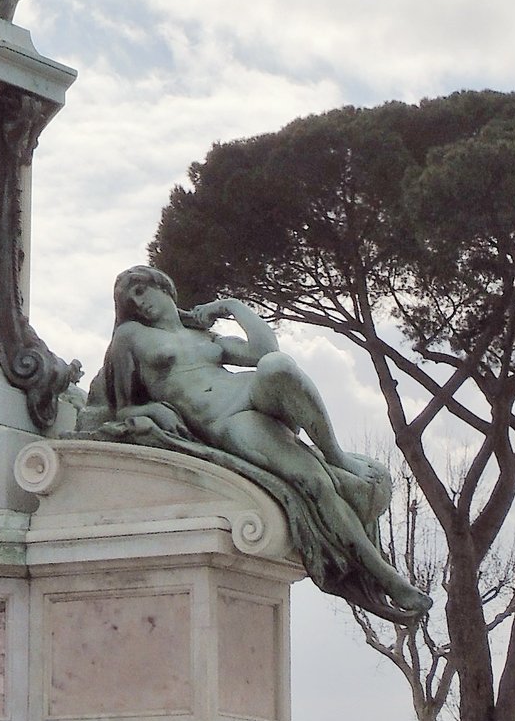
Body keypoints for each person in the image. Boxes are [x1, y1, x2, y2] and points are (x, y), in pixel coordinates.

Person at [83, 266, 431, 620]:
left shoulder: (206, 338)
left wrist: (232, 305)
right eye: (130, 299)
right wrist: (155, 409)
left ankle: (336, 455)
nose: (138, 302)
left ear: (164, 287)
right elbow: (125, 406)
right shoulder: (130, 337)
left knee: (278, 366)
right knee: (314, 483)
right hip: (226, 420)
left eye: (142, 290)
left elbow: (264, 350)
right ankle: (387, 578)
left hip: (246, 390)